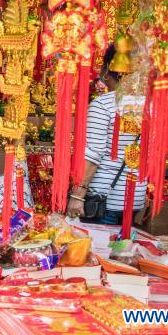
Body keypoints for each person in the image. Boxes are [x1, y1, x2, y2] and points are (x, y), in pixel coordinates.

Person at [66, 44, 147, 225]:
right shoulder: (149, 106)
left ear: (107, 69)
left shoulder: (103, 104)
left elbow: (93, 154)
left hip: (103, 200)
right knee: (122, 250)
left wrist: (78, 195)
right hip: (135, 198)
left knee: (99, 251)